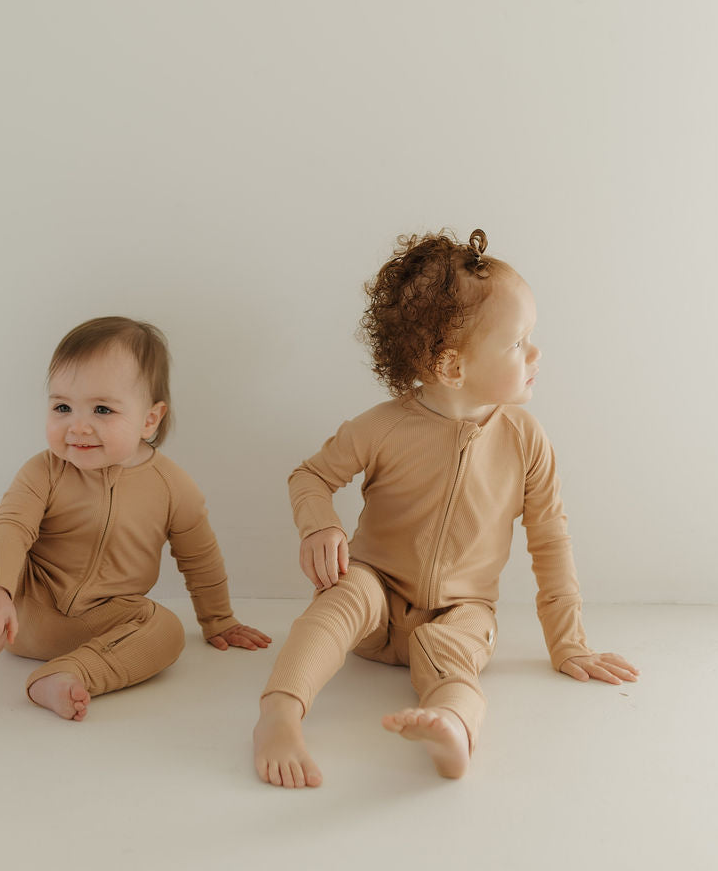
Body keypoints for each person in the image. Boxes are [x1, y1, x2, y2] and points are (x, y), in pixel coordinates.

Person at [253, 229, 639, 787]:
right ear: (452, 367)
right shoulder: (382, 427)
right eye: (518, 342)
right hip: (375, 597)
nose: (536, 353)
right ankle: (279, 714)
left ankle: (452, 727)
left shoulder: (525, 439)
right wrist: (319, 525)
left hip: (462, 611)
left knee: (457, 658)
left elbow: (550, 540)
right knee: (340, 600)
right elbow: (310, 475)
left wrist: (568, 642)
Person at [0, 316, 269, 721]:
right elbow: (12, 529)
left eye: (102, 409)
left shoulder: (172, 486)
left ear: (150, 419)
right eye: (62, 406)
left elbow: (199, 557)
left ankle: (68, 674)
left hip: (101, 624)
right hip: (20, 604)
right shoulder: (43, 470)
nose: (78, 426)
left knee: (166, 630)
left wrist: (219, 620)